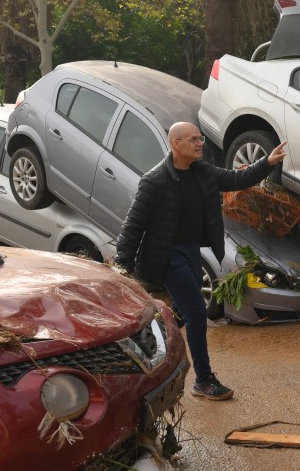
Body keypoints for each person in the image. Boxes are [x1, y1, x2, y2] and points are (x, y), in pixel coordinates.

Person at [116, 122, 287, 401]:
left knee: (182, 314)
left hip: (191, 250)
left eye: (200, 138)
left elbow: (236, 179)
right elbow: (133, 225)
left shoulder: (202, 172)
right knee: (197, 312)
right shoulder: (155, 181)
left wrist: (266, 162)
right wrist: (122, 267)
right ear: (176, 144)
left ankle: (145, 348)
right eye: (193, 139)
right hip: (167, 254)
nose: (200, 143)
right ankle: (204, 380)